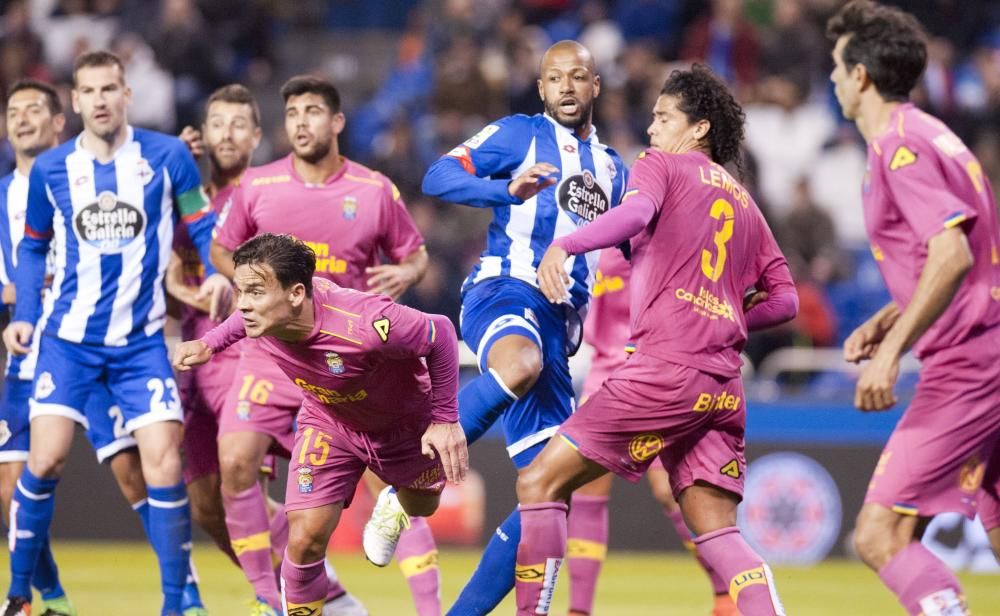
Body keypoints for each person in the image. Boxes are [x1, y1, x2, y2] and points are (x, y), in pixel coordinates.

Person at [520, 64, 798, 616]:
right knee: (716, 532)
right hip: (722, 385)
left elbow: (637, 211)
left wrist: (568, 245)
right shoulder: (745, 201)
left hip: (663, 370)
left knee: (538, 483)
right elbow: (786, 299)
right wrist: (735, 318)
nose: (651, 130)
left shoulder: (660, 166)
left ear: (697, 129)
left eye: (663, 117)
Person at [1, 51, 230, 616]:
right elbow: (31, 248)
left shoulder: (167, 155)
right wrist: (26, 314)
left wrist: (219, 271)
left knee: (163, 466)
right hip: (68, 342)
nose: (100, 100)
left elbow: (199, 221)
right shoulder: (53, 170)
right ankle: (20, 597)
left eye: (110, 89)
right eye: (89, 91)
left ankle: (177, 604)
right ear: (75, 102)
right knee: (44, 460)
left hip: (139, 345)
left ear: (127, 95)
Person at [209, 75, 430, 615]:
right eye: (292, 113)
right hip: (271, 355)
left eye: (312, 111)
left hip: (352, 365)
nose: (301, 122)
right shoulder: (257, 186)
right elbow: (222, 249)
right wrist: (248, 290)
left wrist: (405, 272)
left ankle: (431, 609)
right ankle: (272, 599)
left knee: (401, 488)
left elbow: (415, 255)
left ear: (336, 122)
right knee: (235, 462)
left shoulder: (374, 190)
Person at [422, 39, 627, 614]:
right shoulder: (519, 134)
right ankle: (409, 477)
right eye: (554, 77)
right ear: (541, 89)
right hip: (503, 289)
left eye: (577, 76)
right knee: (519, 363)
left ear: (595, 86)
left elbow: (641, 250)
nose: (566, 85)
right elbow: (438, 175)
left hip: (559, 325)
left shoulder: (613, 168)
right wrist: (502, 190)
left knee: (550, 488)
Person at [173, 233, 468, 616]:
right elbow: (241, 320)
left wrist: (445, 420)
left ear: (296, 294)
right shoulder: (264, 315)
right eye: (240, 291)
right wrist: (210, 344)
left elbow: (440, 332)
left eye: (255, 293)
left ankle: (393, 503)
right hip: (329, 421)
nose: (243, 304)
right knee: (305, 537)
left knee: (422, 504)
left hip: (404, 427)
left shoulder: (366, 322)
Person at [827, 2, 1000, 613]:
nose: (832, 79)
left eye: (837, 67)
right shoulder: (933, 134)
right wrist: (888, 317)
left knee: (879, 535)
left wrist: (891, 355)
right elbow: (964, 256)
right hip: (989, 351)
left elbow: (950, 255)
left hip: (969, 364)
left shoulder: (898, 145)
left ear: (862, 76)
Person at [565, 247, 738, 616]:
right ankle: (578, 610)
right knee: (585, 484)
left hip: (653, 369)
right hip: (603, 369)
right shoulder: (589, 232)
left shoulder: (650, 228)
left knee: (669, 490)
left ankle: (726, 594)